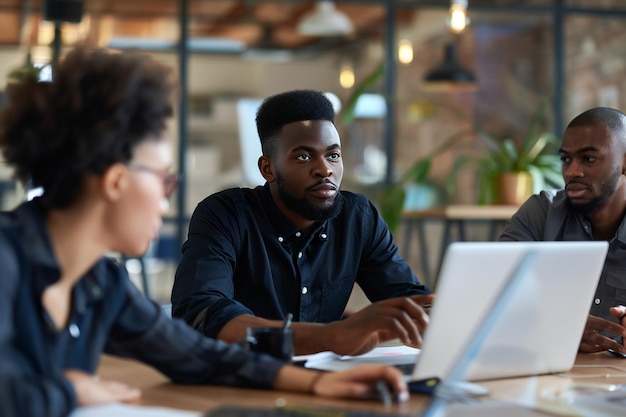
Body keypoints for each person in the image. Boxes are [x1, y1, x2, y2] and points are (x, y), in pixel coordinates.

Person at [0, 47, 410, 417]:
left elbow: (200, 355)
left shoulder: (100, 284)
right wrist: (68, 390)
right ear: (116, 182)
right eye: (164, 179)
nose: (165, 201)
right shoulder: (6, 259)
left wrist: (320, 383)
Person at [172, 89, 433, 356]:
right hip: (241, 378)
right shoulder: (226, 215)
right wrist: (331, 336)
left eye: (333, 155)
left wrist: (443, 312)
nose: (325, 169)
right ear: (268, 169)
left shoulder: (358, 218)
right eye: (304, 157)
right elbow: (200, 313)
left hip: (329, 380)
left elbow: (407, 299)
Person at [499, 106, 626, 355]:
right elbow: (493, 301)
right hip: (549, 382)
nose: (571, 172)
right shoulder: (540, 213)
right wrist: (551, 327)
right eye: (566, 159)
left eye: (588, 159)